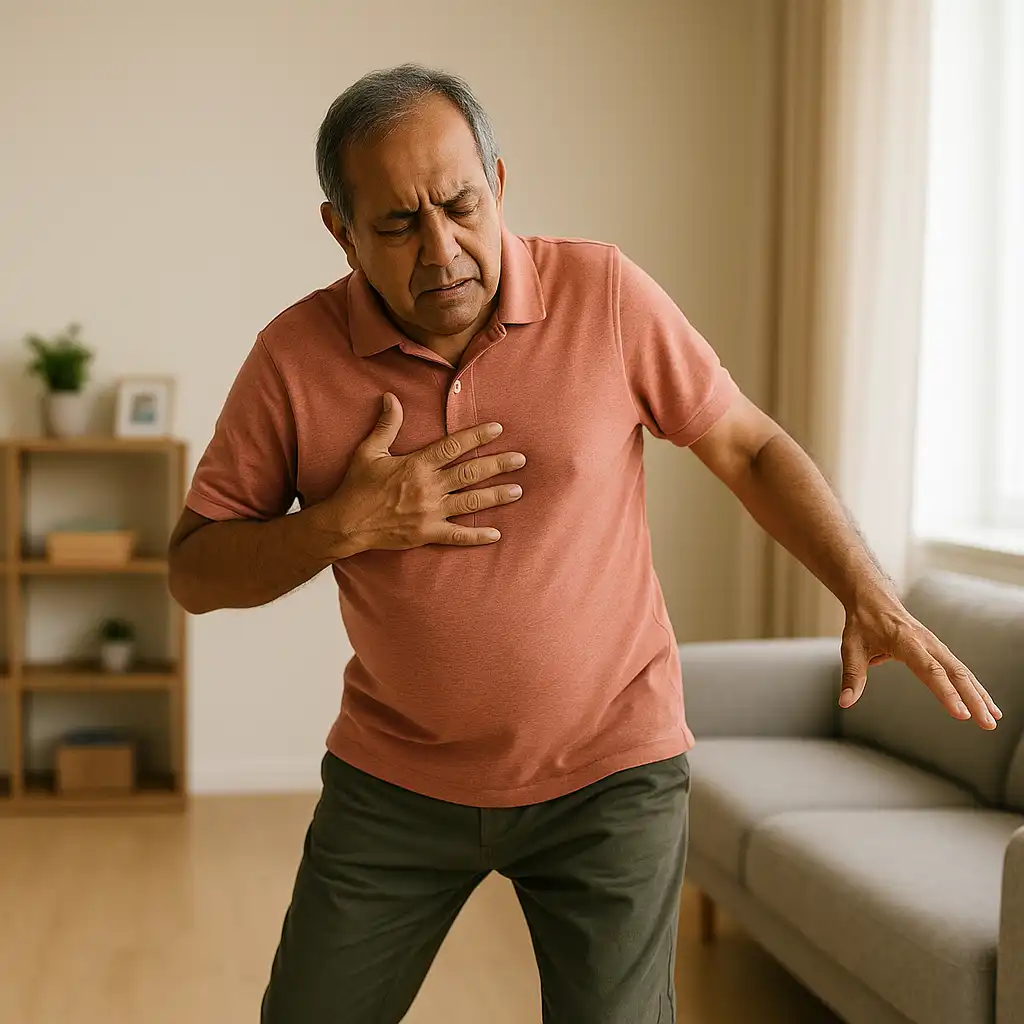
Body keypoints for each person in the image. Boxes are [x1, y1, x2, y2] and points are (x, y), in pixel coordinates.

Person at [167, 63, 1002, 1024]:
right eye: (397, 224)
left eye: (459, 204)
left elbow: (749, 445)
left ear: (499, 184)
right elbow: (194, 571)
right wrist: (339, 525)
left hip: (612, 775)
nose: (441, 250)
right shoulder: (292, 358)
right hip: (395, 783)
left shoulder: (603, 292)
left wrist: (867, 590)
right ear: (340, 230)